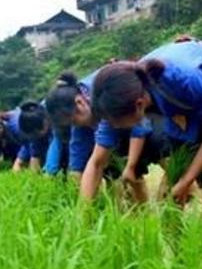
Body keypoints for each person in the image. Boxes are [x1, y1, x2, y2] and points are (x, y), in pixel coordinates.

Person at [89, 37, 202, 204]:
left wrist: (186, 181)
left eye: (118, 124)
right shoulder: (117, 99)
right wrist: (82, 217)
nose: (114, 127)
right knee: (171, 189)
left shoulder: (183, 79)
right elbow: (96, 162)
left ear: (139, 105)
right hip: (179, 111)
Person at [46, 70, 163, 203]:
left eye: (73, 121)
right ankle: (137, 211)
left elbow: (140, 125)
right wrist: (78, 205)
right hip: (124, 132)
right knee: (110, 165)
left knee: (153, 152)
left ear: (79, 102)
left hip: (150, 119)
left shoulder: (105, 97)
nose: (75, 125)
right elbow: (78, 164)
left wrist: (131, 165)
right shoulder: (80, 124)